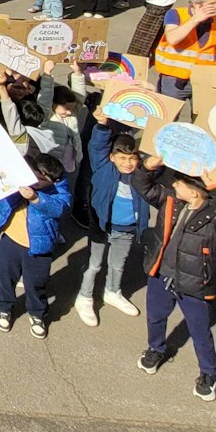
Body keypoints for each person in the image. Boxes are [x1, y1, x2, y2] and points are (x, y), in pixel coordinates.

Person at [130, 159, 216, 401]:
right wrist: (147, 167)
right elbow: (142, 185)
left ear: (194, 191)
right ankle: (156, 348)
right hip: (161, 273)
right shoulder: (171, 199)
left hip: (194, 284)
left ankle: (209, 374)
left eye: (179, 183)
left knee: (199, 330)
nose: (173, 185)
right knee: (156, 316)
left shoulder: (215, 215)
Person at [0, 154, 71, 339]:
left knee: (35, 283)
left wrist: (36, 198)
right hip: (11, 239)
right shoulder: (20, 176)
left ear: (53, 181)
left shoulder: (57, 190)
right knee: (5, 276)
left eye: (42, 180)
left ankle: (37, 314)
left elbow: (60, 208)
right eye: (34, 175)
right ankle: (3, 308)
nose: (35, 181)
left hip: (39, 247)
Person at [75, 129, 148, 327]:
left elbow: (154, 163)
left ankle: (113, 292)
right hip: (101, 227)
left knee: (118, 264)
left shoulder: (142, 176)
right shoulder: (103, 168)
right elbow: (97, 145)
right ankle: (84, 297)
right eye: (122, 158)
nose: (127, 163)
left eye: (132, 158)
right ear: (111, 157)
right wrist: (101, 125)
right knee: (93, 265)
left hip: (126, 230)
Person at [151, 0, 216, 108]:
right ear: (196, 5)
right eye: (212, 3)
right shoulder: (176, 15)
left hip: (205, 80)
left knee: (202, 120)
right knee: (167, 116)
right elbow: (173, 38)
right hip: (175, 81)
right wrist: (195, 20)